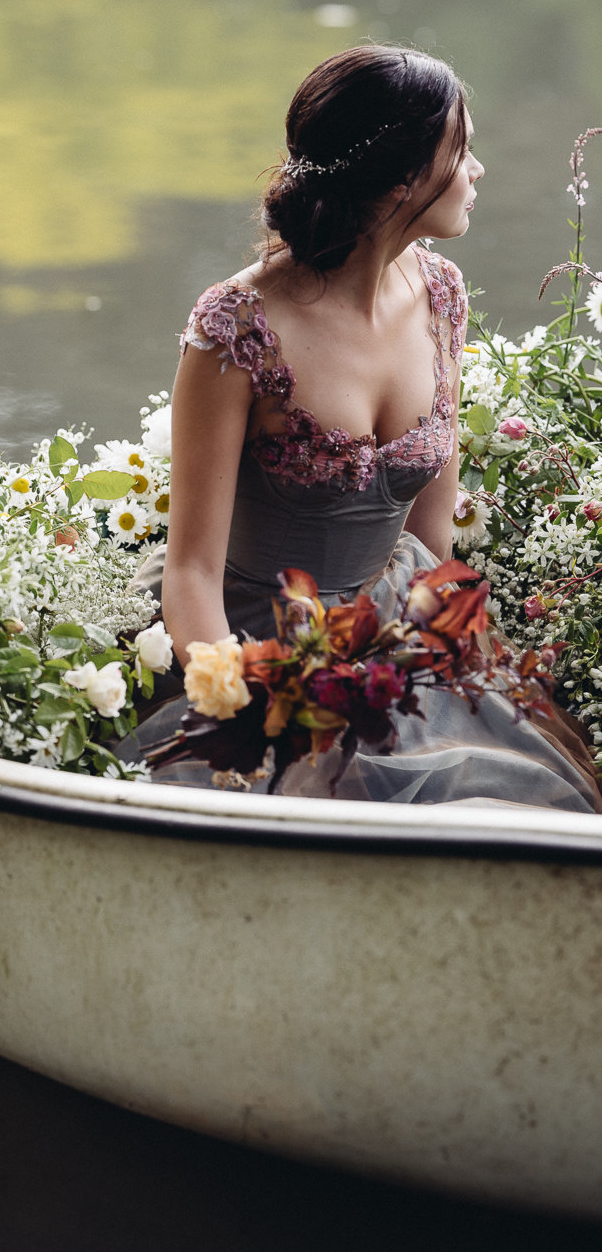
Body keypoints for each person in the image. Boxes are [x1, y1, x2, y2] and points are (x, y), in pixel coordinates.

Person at [122, 44, 602, 812]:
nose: (478, 170)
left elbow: (431, 544)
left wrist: (432, 673)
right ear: (402, 180)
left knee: (513, 792)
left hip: (388, 635)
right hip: (244, 640)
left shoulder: (441, 294)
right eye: (462, 151)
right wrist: (253, 702)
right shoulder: (238, 327)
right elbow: (190, 574)